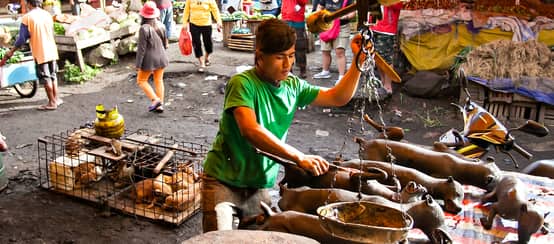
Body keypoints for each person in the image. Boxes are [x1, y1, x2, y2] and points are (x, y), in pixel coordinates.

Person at [201, 19, 366, 232]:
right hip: (222, 181)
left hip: (258, 185)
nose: (288, 64)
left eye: (290, 55)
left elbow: (337, 97)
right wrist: (299, 157)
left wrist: (358, 62)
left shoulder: (293, 85)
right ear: (260, 56)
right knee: (218, 239)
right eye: (279, 57)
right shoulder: (242, 83)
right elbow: (250, 130)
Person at [0, 0, 61, 110]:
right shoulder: (47, 14)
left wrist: (11, 51)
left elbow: (22, 39)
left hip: (40, 50)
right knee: (53, 75)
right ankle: (56, 99)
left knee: (46, 77)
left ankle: (52, 103)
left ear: (29, 4)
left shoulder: (27, 17)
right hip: (52, 48)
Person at [136, 1, 169, 113]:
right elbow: (165, 44)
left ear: (143, 15)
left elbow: (141, 49)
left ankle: (155, 100)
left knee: (141, 80)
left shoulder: (144, 28)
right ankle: (160, 105)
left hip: (149, 60)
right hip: (162, 57)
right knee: (158, 80)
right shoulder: (162, 25)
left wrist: (138, 65)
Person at [312, 0, 355, 83]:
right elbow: (320, 7)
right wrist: (319, 14)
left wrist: (343, 17)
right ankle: (325, 71)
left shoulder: (348, 0)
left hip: (341, 27)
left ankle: (342, 76)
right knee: (325, 50)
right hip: (327, 26)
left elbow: (352, 13)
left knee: (340, 52)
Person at [370, 2, 403, 99]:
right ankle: (383, 82)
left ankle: (388, 86)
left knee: (387, 58)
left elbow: (399, 5)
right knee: (378, 57)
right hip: (373, 26)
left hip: (386, 30)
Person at [182, 0, 222, 73]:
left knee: (208, 44)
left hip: (206, 24)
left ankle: (206, 57)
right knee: (196, 43)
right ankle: (202, 63)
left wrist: (218, 21)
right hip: (194, 24)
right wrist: (184, 23)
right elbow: (186, 11)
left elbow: (215, 10)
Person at [281, 0, 308, 78]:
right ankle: (289, 69)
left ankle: (302, 69)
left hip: (297, 20)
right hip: (286, 19)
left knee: (300, 46)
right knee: (286, 46)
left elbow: (303, 1)